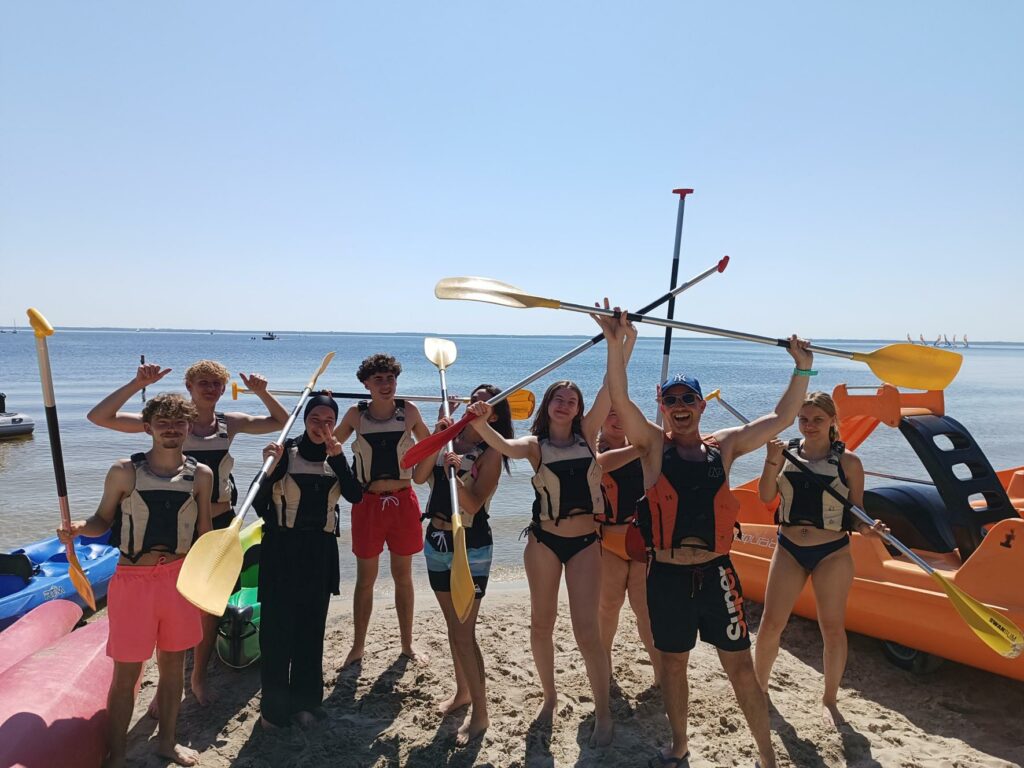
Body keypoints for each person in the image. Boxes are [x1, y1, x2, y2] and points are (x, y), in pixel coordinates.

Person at [596, 307, 814, 768]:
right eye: (671, 399)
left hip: (717, 576)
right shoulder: (653, 447)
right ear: (662, 405)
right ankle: (678, 746)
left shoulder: (726, 446)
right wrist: (617, 345)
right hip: (667, 578)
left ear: (700, 405)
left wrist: (802, 368)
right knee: (674, 665)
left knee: (740, 667)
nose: (680, 406)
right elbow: (619, 395)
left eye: (687, 399)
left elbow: (780, 417)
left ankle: (767, 757)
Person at [87, 360, 289, 704]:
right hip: (175, 530)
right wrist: (137, 384)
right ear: (189, 386)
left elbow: (283, 423)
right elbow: (100, 417)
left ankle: (196, 678)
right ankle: (167, 683)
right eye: (203, 384)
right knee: (173, 605)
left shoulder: (229, 423)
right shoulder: (171, 423)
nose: (210, 389)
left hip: (218, 524)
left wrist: (262, 392)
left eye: (216, 384)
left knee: (209, 606)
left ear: (224, 389)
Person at [59, 393, 213, 767]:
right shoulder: (124, 471)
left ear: (188, 427)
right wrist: (79, 528)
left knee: (174, 668)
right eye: (163, 423)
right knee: (126, 675)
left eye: (179, 422)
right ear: (148, 428)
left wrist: (212, 575)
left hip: (178, 580)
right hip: (133, 581)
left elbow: (205, 533)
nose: (172, 429)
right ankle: (117, 756)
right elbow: (102, 521)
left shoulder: (201, 476)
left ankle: (167, 743)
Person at [466, 368, 617, 748]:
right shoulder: (534, 445)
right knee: (541, 624)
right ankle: (549, 696)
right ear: (547, 406)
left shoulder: (589, 436)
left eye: (572, 401)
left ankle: (603, 712)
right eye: (558, 399)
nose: (565, 405)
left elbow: (610, 387)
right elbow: (503, 446)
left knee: (587, 631)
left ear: (580, 409)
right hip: (544, 543)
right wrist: (481, 422)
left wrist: (620, 340)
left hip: (585, 543)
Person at [754, 392, 887, 728]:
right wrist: (771, 459)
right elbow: (767, 496)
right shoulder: (784, 454)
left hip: (832, 553)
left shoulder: (849, 463)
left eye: (817, 419)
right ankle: (758, 689)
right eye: (803, 419)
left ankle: (829, 700)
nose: (809, 426)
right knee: (771, 625)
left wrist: (868, 529)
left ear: (832, 422)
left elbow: (856, 513)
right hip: (788, 549)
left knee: (832, 628)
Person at [412, 384, 512, 745]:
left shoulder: (492, 452)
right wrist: (438, 441)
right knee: (453, 627)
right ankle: (462, 693)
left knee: (464, 633)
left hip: (470, 544)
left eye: (485, 401)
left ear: (494, 414)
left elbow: (472, 504)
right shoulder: (449, 440)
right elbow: (419, 477)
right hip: (436, 541)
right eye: (474, 397)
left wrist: (456, 471)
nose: (476, 403)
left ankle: (481, 714)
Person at [256, 393, 363, 729]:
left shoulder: (338, 456)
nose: (322, 426)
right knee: (276, 631)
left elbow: (356, 496)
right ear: (304, 420)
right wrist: (270, 471)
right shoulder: (284, 453)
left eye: (328, 420)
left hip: (319, 551)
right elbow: (258, 504)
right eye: (315, 419)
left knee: (310, 629)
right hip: (281, 548)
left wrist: (340, 458)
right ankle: (273, 710)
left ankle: (306, 703)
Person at [333, 353, 431, 667]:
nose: (386, 385)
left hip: (403, 501)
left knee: (403, 577)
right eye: (379, 380)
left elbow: (431, 446)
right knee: (365, 580)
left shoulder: (409, 411)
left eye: (390, 378)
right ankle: (358, 646)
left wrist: (448, 424)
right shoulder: (354, 415)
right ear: (366, 384)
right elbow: (327, 448)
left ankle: (407, 644)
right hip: (367, 505)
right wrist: (323, 404)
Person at [596, 407, 662, 691]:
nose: (618, 417)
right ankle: (603, 667)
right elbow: (601, 465)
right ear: (600, 419)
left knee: (645, 609)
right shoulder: (591, 449)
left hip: (641, 542)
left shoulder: (645, 450)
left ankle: (661, 674)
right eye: (611, 413)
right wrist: (643, 446)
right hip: (607, 542)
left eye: (621, 412)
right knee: (608, 606)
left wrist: (653, 442)